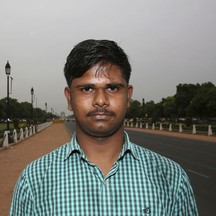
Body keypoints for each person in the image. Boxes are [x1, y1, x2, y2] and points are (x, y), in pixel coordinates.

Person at [10, 39, 198, 215]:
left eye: (112, 88)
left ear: (128, 96)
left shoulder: (171, 178)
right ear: (69, 98)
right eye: (87, 89)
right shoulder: (34, 182)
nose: (101, 100)